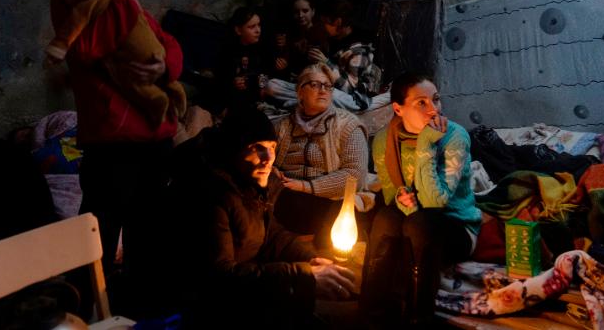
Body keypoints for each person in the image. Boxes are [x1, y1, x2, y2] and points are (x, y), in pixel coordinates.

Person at [54, 0, 183, 317]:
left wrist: (162, 66)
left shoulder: (126, 2)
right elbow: (87, 50)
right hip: (110, 142)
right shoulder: (69, 4)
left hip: (153, 138)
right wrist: (122, 10)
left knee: (147, 233)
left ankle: (137, 313)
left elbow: (172, 50)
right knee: (99, 232)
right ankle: (81, 312)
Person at [196, 107, 356, 329]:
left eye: (272, 147)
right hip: (213, 305)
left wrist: (310, 259)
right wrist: (301, 275)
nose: (269, 159)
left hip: (250, 283)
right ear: (233, 151)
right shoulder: (212, 195)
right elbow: (221, 278)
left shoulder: (255, 184)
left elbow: (269, 233)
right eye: (257, 148)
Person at [361, 72, 482, 327]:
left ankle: (419, 318)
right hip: (411, 216)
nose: (433, 110)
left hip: (455, 225)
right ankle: (372, 315)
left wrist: (426, 145)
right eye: (421, 103)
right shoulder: (384, 140)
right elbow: (391, 192)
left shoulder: (454, 136)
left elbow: (435, 201)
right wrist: (402, 198)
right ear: (398, 109)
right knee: (384, 218)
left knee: (419, 223)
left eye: (435, 100)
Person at [271, 63, 374, 249]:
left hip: (331, 199)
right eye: (315, 85)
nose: (323, 91)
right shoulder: (283, 126)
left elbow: (354, 176)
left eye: (327, 86)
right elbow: (265, 161)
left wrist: (306, 186)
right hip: (286, 195)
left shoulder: (347, 126)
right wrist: (273, 172)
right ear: (299, 92)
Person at [214, 6, 271, 111]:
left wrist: (263, 85)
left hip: (257, 95)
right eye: (252, 27)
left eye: (259, 25)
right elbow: (220, 77)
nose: (258, 30)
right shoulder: (228, 51)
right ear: (239, 30)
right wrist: (233, 82)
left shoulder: (262, 48)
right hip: (235, 97)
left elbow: (266, 70)